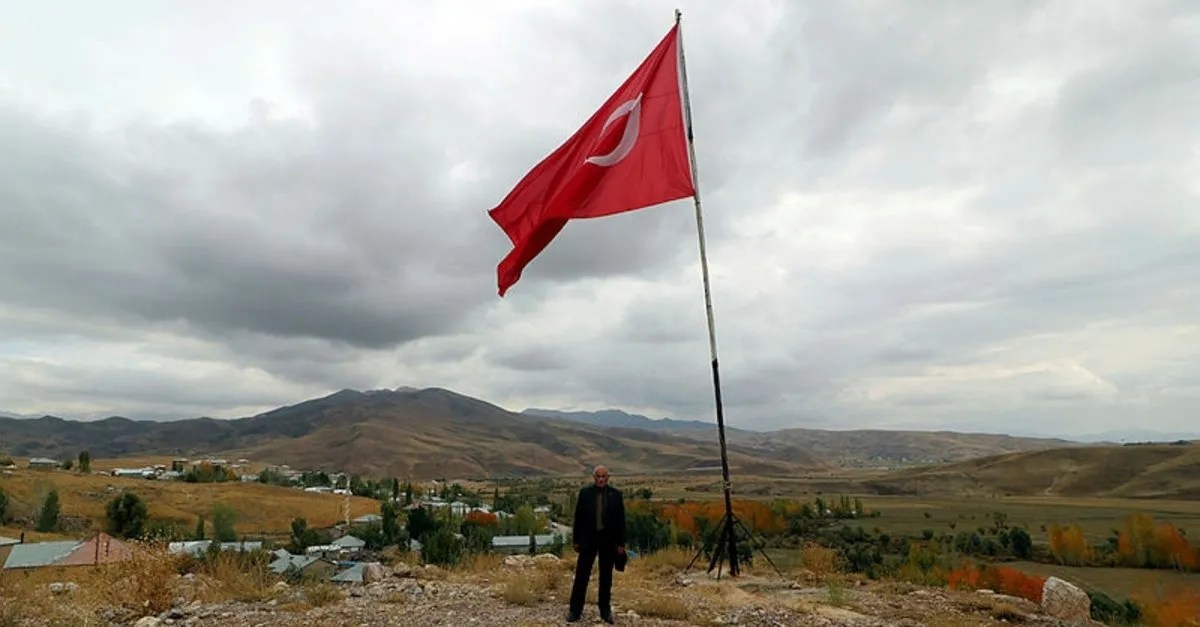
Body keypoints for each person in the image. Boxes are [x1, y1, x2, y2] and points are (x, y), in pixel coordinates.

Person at [567, 464, 626, 624]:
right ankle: (575, 610)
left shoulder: (616, 495)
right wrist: (576, 540)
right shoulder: (585, 494)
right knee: (581, 575)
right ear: (594, 477)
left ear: (608, 477)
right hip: (588, 540)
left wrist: (621, 543)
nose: (601, 479)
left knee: (606, 577)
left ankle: (605, 611)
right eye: (598, 476)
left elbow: (621, 521)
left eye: (603, 476)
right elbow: (578, 518)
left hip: (608, 541)